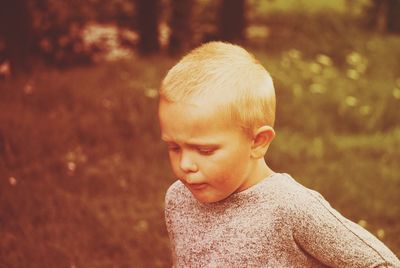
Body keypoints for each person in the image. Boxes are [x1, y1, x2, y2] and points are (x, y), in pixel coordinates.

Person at [158, 41, 400, 267]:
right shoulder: (178, 199)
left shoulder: (291, 208)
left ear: (257, 142)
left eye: (204, 150)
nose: (185, 164)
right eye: (174, 147)